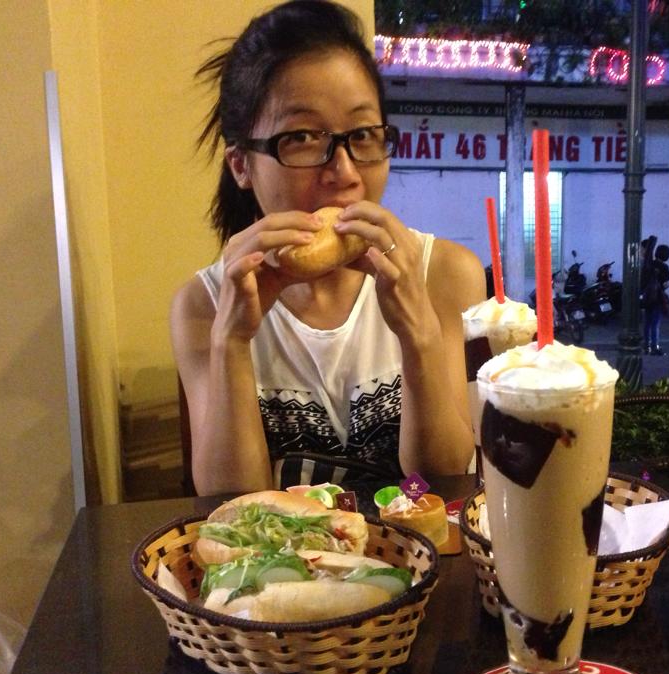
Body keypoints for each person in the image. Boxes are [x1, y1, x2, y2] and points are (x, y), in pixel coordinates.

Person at [170, 1, 485, 495]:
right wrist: (231, 341)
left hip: (418, 546)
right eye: (301, 137)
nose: (344, 172)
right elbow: (229, 502)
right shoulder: (205, 303)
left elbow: (443, 479)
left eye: (362, 135)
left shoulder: (445, 272)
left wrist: (418, 332)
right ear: (241, 165)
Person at [641, 242, 669, 355]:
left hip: (647, 297)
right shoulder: (664, 267)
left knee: (647, 323)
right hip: (658, 298)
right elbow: (666, 283)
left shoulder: (649, 264)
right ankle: (655, 346)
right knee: (655, 323)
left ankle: (646, 346)